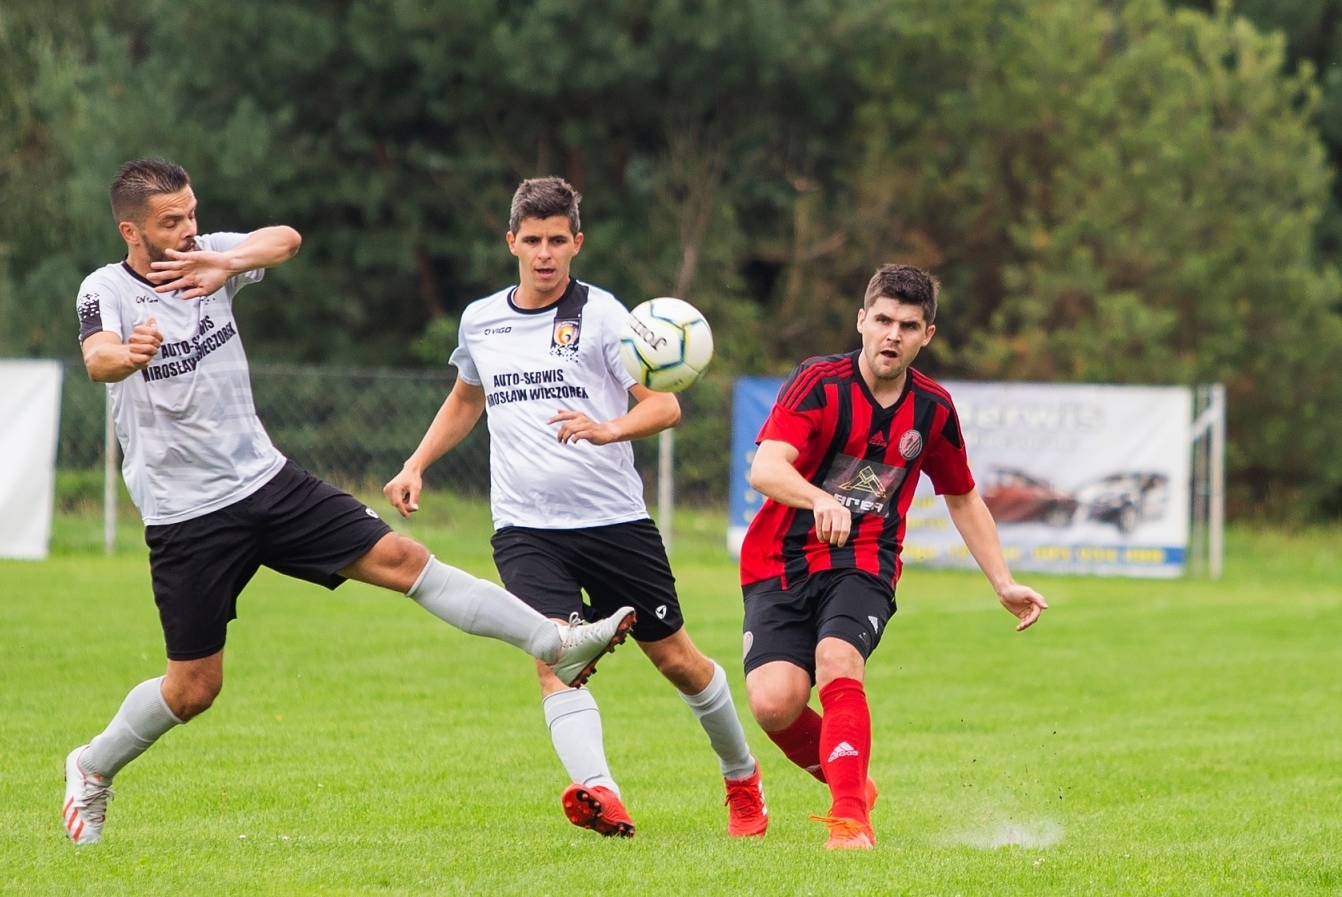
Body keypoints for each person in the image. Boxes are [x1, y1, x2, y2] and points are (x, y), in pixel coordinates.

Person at [62, 159, 634, 845]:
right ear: (131, 230)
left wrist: (225, 262)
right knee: (192, 689)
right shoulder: (106, 289)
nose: (188, 230)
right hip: (187, 514)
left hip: (266, 481)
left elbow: (286, 239)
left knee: (404, 559)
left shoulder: (209, 255)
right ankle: (92, 767)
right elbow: (97, 357)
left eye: (191, 213)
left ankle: (555, 642)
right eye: (169, 222)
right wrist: (131, 355)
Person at [384, 177, 767, 839]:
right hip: (525, 528)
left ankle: (742, 778)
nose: (544, 253)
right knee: (554, 656)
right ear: (511, 241)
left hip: (613, 522)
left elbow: (665, 405)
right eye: (532, 240)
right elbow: (467, 399)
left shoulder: (608, 317)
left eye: (557, 240)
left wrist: (609, 429)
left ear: (577, 243)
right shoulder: (481, 321)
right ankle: (601, 793)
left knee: (678, 661)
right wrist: (416, 463)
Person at [741, 264, 1048, 849]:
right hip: (779, 560)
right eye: (883, 320)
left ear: (926, 335)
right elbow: (766, 467)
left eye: (908, 326)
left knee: (837, 658)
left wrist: (1003, 582)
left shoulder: (933, 408)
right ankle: (853, 778)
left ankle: (850, 819)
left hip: (865, 560)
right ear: (861, 321)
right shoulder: (818, 383)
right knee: (775, 704)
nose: (892, 335)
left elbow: (963, 496)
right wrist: (818, 498)